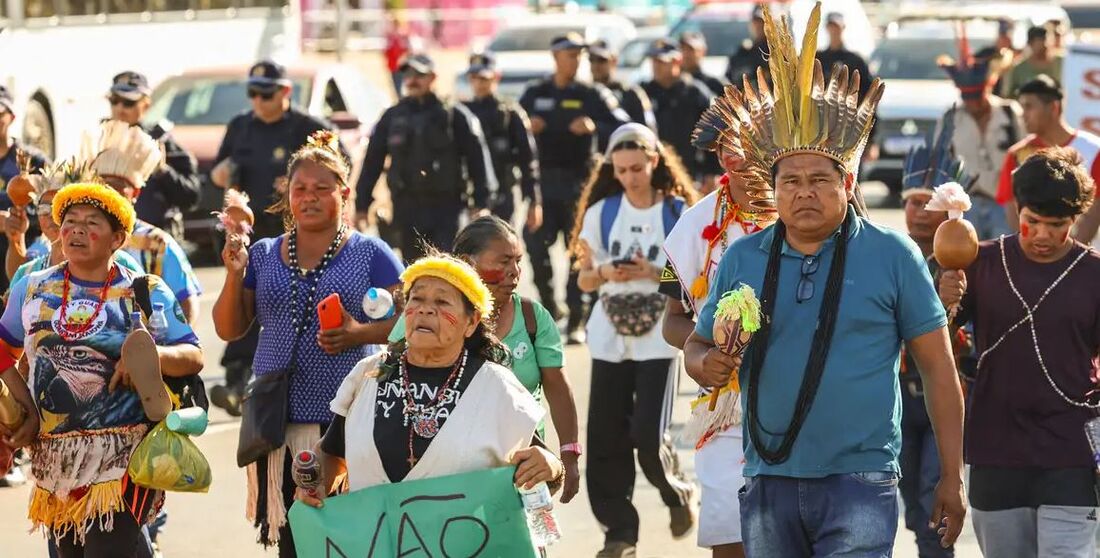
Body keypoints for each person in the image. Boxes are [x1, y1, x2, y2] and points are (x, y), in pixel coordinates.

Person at [681, 5, 966, 556]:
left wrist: (951, 477)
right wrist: (705, 362)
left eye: (819, 180)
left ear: (847, 182)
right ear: (774, 188)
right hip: (766, 476)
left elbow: (938, 369)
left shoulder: (891, 254)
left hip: (860, 480)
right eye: (791, 181)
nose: (804, 192)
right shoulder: (743, 256)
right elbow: (697, 342)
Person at [213, 131, 403, 555]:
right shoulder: (262, 253)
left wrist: (361, 333)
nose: (310, 197)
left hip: (347, 425)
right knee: (295, 541)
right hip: (280, 425)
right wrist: (232, 272)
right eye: (300, 188)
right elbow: (229, 329)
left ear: (345, 193)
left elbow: (413, 320)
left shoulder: (371, 253)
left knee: (351, 539)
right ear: (287, 194)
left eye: (322, 189)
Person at [0, 182, 203, 558]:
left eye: (92, 222)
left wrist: (149, 355)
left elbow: (193, 354)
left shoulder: (143, 291)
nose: (77, 230)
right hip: (54, 461)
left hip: (123, 460)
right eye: (70, 221)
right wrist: (23, 404)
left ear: (118, 239)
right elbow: (3, 349)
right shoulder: (31, 289)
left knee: (107, 548)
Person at [296, 254, 564, 531]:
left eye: (442, 302)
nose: (425, 310)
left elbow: (547, 469)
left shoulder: (496, 387)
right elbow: (332, 453)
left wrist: (551, 466)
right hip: (377, 543)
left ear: (470, 322)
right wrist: (315, 485)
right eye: (417, 299)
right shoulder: (368, 375)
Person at [939, 146, 1100, 558]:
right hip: (996, 448)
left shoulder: (1095, 274)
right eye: (1032, 224)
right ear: (1016, 212)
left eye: (1057, 226)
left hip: (1072, 452)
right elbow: (939, 342)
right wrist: (946, 302)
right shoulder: (981, 261)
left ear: (1075, 221)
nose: (1043, 235)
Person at [569, 123, 699, 558]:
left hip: (659, 337)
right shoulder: (602, 213)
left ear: (655, 161)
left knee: (647, 434)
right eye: (621, 170)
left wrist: (651, 273)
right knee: (605, 438)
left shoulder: (677, 212)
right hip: (610, 334)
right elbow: (585, 279)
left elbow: (695, 280)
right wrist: (607, 272)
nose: (629, 177)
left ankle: (675, 491)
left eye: (637, 168)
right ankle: (620, 532)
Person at [659, 89, 777, 558]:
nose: (740, 153)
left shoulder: (811, 214)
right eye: (729, 144)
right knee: (730, 532)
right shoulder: (693, 225)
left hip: (805, 399)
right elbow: (673, 319)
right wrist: (705, 355)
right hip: (724, 407)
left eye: (751, 141)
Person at [386, 216, 581, 500]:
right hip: (442, 466)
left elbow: (557, 385)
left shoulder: (532, 318)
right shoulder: (426, 314)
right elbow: (388, 374)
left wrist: (568, 455)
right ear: (468, 262)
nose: (514, 272)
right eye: (503, 262)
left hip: (520, 466)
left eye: (518, 261)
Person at [210, 59, 346, 415]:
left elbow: (340, 171)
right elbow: (219, 172)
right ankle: (237, 379)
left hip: (295, 234)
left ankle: (276, 378)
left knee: (280, 307)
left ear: (285, 91)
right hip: (250, 235)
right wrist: (222, 175)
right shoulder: (241, 126)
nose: (258, 101)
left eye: (266, 94)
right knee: (243, 299)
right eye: (253, 93)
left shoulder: (309, 127)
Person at [519, 33, 630, 342]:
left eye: (579, 55)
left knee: (578, 253)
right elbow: (513, 127)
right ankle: (551, 309)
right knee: (535, 247)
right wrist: (528, 124)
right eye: (570, 55)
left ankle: (577, 318)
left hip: (579, 187)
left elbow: (624, 125)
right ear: (555, 57)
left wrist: (596, 127)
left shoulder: (591, 94)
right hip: (543, 186)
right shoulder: (534, 93)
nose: (576, 60)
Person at [897, 122, 968, 558]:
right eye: (912, 203)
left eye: (928, 203)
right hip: (897, 397)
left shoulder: (967, 257)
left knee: (933, 500)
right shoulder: (888, 256)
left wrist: (956, 301)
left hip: (943, 395)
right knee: (907, 498)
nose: (920, 212)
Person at [354, 53, 496, 263]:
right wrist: (362, 205)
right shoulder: (393, 117)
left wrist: (482, 202)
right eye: (408, 75)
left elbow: (478, 159)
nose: (412, 80)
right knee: (413, 270)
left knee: (447, 267)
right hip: (406, 208)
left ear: (432, 77)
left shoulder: (454, 115)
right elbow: (372, 162)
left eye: (419, 75)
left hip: (446, 208)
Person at [87, 121, 202, 324]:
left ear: (135, 194)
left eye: (117, 190)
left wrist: (173, 345)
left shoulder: (157, 243)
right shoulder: (78, 237)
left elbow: (186, 301)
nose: (109, 197)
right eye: (103, 189)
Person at [994, 75, 1100, 243]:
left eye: (1029, 106)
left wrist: (1069, 257)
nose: (1023, 114)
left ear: (1053, 108)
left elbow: (1094, 213)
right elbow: (1012, 210)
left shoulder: (1094, 150)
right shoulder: (1017, 154)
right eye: (1022, 107)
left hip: (1086, 260)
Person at [936, 39, 1023, 240]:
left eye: (978, 97)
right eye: (968, 98)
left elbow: (1026, 155)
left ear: (989, 87)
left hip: (1007, 203)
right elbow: (941, 163)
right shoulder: (950, 118)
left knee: (1005, 259)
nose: (974, 104)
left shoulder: (1010, 112)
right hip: (967, 204)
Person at [106, 71, 201, 236]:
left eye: (128, 102)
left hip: (150, 241)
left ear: (145, 105)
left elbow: (191, 197)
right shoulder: (97, 141)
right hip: (107, 237)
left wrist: (162, 171)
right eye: (115, 101)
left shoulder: (160, 141)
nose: (119, 108)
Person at [462, 53, 543, 229]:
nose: (479, 84)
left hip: (505, 192)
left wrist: (534, 201)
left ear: (495, 78)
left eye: (484, 78)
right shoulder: (464, 113)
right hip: (473, 194)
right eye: (474, 78)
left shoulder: (510, 113)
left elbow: (528, 159)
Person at [641, 40, 721, 189]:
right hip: (655, 172)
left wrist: (712, 172)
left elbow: (715, 132)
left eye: (661, 61)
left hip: (692, 173)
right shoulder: (644, 92)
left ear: (677, 60)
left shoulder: (695, 92)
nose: (656, 66)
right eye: (653, 61)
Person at [0, 85, 49, 295]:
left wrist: (20, 223)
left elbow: (53, 210)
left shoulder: (33, 161)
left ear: (11, 116)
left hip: (23, 259)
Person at [588, 40, 657, 131]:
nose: (595, 65)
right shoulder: (585, 93)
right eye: (591, 59)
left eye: (602, 60)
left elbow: (647, 130)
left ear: (614, 61)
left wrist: (597, 127)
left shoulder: (631, 93)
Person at [815, 12, 871, 100]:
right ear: (827, 28)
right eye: (831, 26)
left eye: (837, 26)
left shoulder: (856, 60)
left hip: (848, 111)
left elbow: (867, 89)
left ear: (843, 27)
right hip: (821, 110)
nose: (834, 30)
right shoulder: (818, 58)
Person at [1001, 26, 1064, 99]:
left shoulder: (1061, 63)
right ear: (1030, 43)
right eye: (1040, 41)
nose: (1045, 45)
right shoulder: (1019, 68)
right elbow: (1008, 96)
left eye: (1046, 40)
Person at [725, 4, 768, 88]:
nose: (759, 26)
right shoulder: (743, 52)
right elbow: (730, 79)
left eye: (762, 22)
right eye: (756, 22)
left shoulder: (779, 53)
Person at [679, 32, 726, 97]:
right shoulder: (670, 81)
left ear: (703, 51)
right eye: (682, 49)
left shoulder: (714, 82)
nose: (686, 54)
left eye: (691, 50)